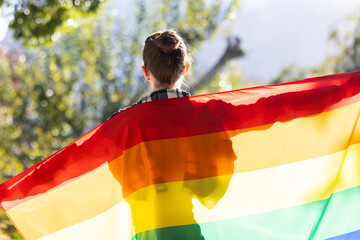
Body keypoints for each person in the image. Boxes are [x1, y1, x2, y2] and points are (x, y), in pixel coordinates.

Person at [109, 30, 236, 240]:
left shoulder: (123, 126)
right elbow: (264, 110)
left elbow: (78, 160)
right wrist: (309, 97)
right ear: (186, 68)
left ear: (145, 71)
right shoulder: (204, 116)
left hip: (146, 235)